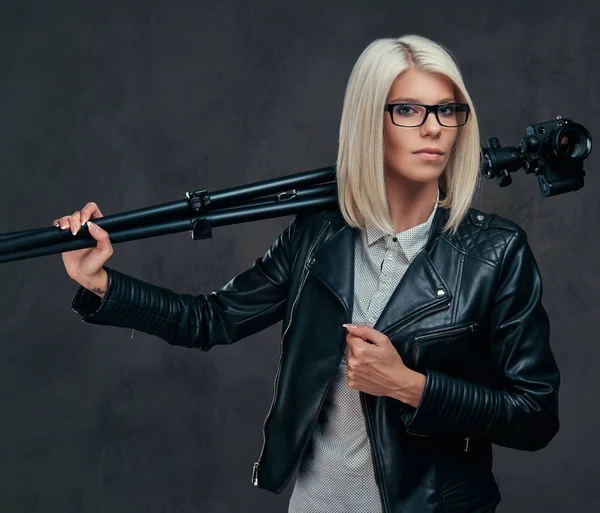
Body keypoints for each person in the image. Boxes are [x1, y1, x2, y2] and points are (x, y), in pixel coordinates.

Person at [55, 34, 560, 513]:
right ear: (370, 121)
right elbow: (210, 319)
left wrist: (410, 386)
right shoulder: (320, 235)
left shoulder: (495, 252)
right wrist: (101, 283)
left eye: (447, 109)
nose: (433, 127)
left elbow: (535, 415)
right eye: (407, 109)